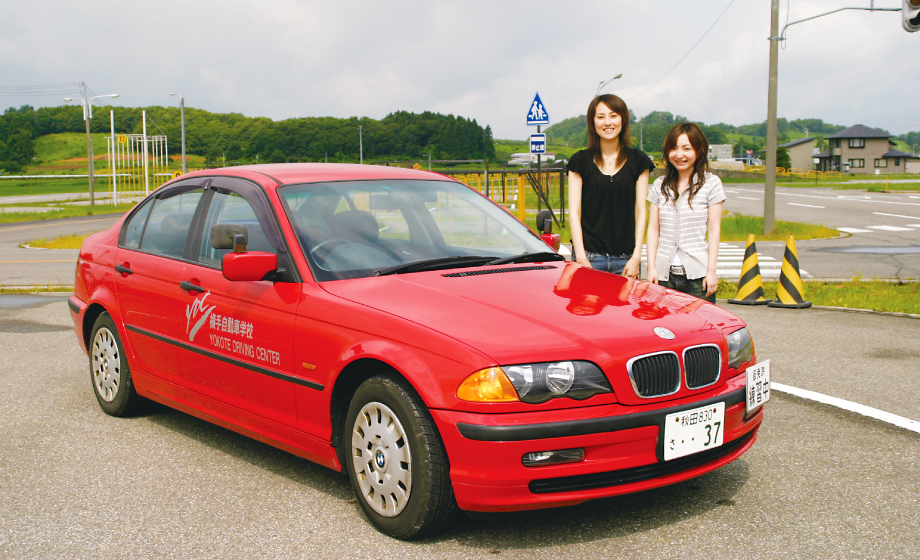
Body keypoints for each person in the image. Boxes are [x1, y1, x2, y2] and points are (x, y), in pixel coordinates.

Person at [566, 94, 655, 277]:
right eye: (601, 117)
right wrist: (581, 258)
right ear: (593, 122)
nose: (608, 122)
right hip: (589, 258)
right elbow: (574, 212)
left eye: (613, 115)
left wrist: (636, 257)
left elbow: (640, 211)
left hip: (626, 260)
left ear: (623, 119)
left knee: (624, 307)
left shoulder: (639, 161)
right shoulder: (579, 161)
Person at [646, 122, 725, 303]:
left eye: (686, 148)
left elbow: (714, 230)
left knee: (700, 330)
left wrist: (711, 272)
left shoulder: (711, 184)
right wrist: (651, 267)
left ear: (699, 151)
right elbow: (653, 229)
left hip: (698, 278)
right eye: (674, 149)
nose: (679, 155)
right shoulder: (660, 185)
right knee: (664, 328)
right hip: (663, 276)